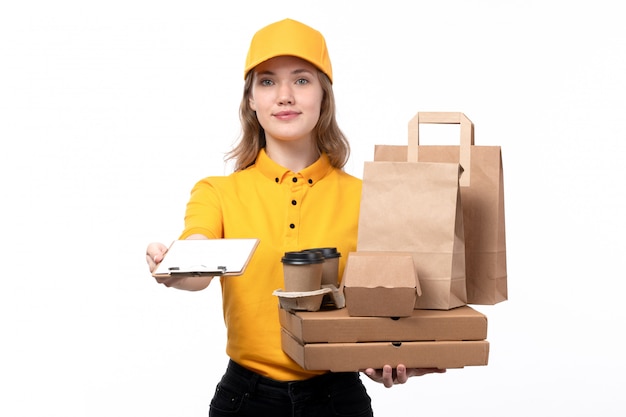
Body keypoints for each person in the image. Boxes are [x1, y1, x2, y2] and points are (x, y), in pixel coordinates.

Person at [145, 18, 445, 417]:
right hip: (245, 399)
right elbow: (199, 255)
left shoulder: (369, 198)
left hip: (338, 397)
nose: (284, 95)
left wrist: (386, 354)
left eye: (301, 80)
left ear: (324, 94)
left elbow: (388, 299)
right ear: (250, 99)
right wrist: (176, 265)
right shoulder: (217, 192)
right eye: (267, 82)